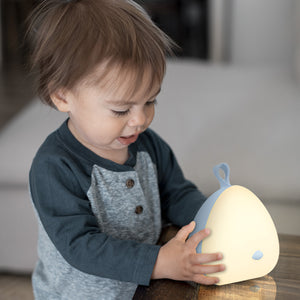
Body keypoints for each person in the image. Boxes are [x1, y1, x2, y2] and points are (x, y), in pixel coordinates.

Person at [26, 0, 225, 299]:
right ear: (62, 96)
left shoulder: (148, 146)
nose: (140, 120)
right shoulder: (54, 167)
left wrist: (211, 219)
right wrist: (158, 262)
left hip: (144, 288)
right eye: (120, 110)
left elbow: (177, 192)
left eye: (150, 101)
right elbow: (81, 246)